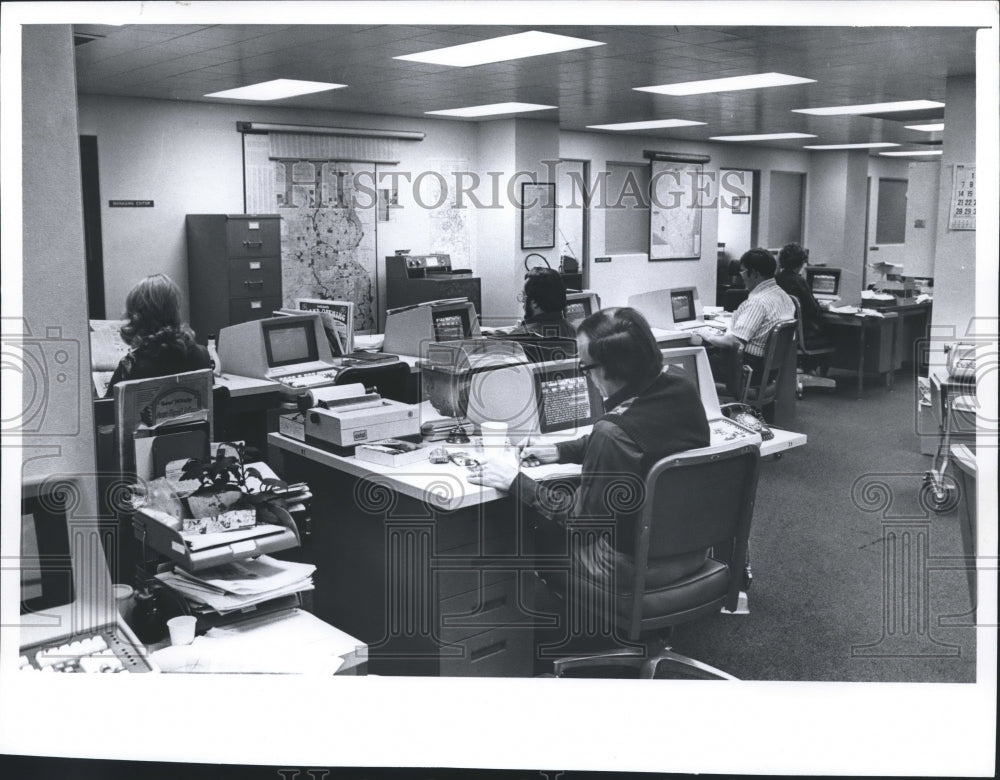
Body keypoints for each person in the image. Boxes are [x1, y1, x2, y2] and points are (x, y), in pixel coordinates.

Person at [469, 307, 711, 602]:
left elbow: (580, 522)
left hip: (628, 568)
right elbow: (648, 439)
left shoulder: (612, 434)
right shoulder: (681, 384)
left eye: (585, 366)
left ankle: (527, 623)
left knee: (528, 531)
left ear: (610, 370)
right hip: (693, 549)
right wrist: (559, 451)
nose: (584, 373)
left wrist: (515, 481)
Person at [695, 247, 795, 379]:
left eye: (743, 271)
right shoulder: (785, 297)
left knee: (693, 363)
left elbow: (733, 341)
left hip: (747, 370)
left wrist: (707, 335)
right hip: (770, 371)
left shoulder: (757, 303)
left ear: (754, 273)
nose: (740, 275)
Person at [105, 273, 211, 397]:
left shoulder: (130, 367)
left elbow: (105, 411)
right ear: (174, 311)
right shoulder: (202, 356)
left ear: (138, 317)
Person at [774, 243, 833, 351]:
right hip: (801, 336)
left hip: (781, 334)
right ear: (801, 263)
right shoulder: (799, 281)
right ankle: (814, 366)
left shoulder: (775, 280)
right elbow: (814, 310)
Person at [508, 267, 576, 339]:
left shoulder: (518, 337)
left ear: (535, 303)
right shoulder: (575, 332)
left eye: (524, 297)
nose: (523, 304)